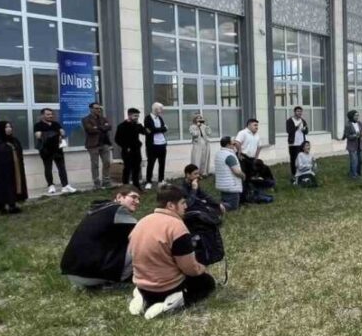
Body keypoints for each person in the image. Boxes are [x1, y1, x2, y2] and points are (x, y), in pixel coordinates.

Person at [127, 184, 216, 319]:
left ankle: (142, 296)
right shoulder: (177, 228)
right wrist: (201, 268)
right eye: (182, 203)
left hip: (142, 284)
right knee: (207, 283)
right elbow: (189, 269)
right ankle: (172, 302)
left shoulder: (141, 222)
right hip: (167, 287)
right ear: (171, 205)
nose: (186, 207)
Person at [60, 187, 141, 288]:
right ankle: (117, 283)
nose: (137, 202)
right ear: (119, 197)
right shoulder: (117, 209)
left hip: (72, 272)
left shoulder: (97, 210)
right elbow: (143, 231)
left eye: (138, 199)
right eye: (133, 197)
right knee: (141, 245)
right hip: (90, 274)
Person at [0, 120, 28, 214]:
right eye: (6, 127)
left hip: (15, 169)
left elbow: (20, 154)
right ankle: (1, 207)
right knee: (2, 187)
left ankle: (12, 205)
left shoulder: (14, 140)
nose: (9, 129)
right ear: (0, 129)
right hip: (0, 170)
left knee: (15, 185)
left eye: (10, 127)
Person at [34, 108, 74, 195]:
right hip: (46, 150)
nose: (50, 116)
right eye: (48, 114)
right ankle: (51, 186)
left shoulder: (55, 124)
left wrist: (50, 134)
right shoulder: (38, 125)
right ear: (42, 115)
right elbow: (38, 136)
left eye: (51, 114)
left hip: (57, 149)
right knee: (48, 168)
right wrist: (55, 134)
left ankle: (65, 185)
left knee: (62, 168)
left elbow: (62, 133)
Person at [82, 102, 113, 190]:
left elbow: (109, 127)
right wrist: (103, 127)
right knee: (95, 164)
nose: (98, 110)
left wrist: (97, 127)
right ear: (91, 109)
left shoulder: (103, 118)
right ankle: (96, 183)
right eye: (96, 108)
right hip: (93, 145)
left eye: (99, 108)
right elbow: (90, 130)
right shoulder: (85, 119)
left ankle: (106, 181)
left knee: (107, 162)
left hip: (104, 143)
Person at [115, 108, 145, 190]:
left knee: (137, 168)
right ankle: (125, 186)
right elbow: (117, 139)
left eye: (138, 116)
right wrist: (125, 147)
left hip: (136, 150)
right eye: (135, 116)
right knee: (127, 168)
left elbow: (145, 132)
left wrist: (140, 125)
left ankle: (136, 186)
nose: (137, 117)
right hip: (127, 151)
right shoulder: (122, 126)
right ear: (129, 115)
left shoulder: (137, 125)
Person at [213, 136, 245, 211]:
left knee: (225, 201)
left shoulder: (219, 154)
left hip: (222, 185)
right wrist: (243, 175)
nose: (235, 146)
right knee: (233, 206)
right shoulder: (229, 156)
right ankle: (215, 208)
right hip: (232, 186)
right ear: (228, 145)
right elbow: (236, 171)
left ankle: (218, 206)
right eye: (233, 144)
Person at [144, 102, 168, 189]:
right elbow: (151, 130)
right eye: (160, 109)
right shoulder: (147, 118)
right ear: (155, 109)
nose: (162, 110)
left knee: (162, 163)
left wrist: (160, 129)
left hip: (162, 144)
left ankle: (161, 180)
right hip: (152, 145)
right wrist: (162, 128)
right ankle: (148, 181)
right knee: (151, 163)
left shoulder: (160, 118)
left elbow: (162, 130)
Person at [234, 119, 261, 200]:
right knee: (243, 176)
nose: (256, 127)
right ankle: (241, 196)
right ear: (249, 125)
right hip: (243, 157)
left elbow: (259, 147)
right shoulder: (243, 133)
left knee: (250, 176)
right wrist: (239, 153)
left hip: (251, 158)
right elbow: (237, 142)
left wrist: (256, 157)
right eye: (255, 125)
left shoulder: (257, 135)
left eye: (257, 125)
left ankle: (248, 194)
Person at [189, 114, 215, 180]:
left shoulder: (204, 126)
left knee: (204, 158)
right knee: (197, 159)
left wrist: (207, 126)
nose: (199, 119)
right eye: (198, 118)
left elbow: (209, 133)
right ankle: (196, 174)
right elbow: (194, 134)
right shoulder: (192, 126)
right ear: (195, 119)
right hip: (197, 144)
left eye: (200, 118)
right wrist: (197, 127)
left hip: (206, 144)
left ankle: (204, 173)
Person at [285, 106, 309, 177]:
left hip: (302, 144)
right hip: (293, 144)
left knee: (302, 159)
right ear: (295, 112)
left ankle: (301, 172)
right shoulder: (289, 120)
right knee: (294, 159)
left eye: (301, 111)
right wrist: (296, 127)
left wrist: (304, 130)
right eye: (298, 111)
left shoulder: (303, 121)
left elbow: (307, 131)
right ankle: (294, 174)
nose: (300, 113)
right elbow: (288, 131)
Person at [343, 110, 362, 179]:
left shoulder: (360, 123)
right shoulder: (348, 125)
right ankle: (354, 175)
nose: (357, 117)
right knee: (354, 161)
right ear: (351, 116)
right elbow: (348, 136)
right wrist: (355, 136)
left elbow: (361, 132)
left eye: (358, 115)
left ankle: (355, 172)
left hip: (360, 144)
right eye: (355, 115)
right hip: (352, 145)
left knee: (361, 160)